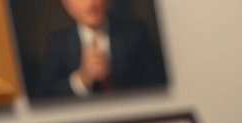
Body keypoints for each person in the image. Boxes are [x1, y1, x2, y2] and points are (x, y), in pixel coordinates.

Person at [35, 0, 167, 98]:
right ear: (66, 4)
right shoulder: (58, 43)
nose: (91, 4)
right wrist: (81, 79)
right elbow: (45, 94)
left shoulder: (135, 33)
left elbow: (159, 83)